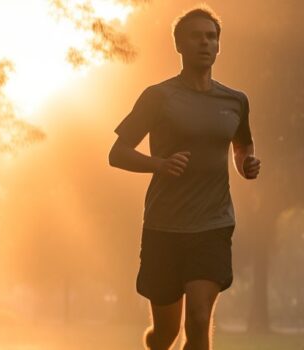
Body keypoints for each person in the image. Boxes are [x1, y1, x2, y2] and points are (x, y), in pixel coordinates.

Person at [108, 6, 260, 350]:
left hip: (213, 224)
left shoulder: (235, 100)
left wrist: (246, 164)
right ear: (179, 45)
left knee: (198, 321)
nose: (204, 43)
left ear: (219, 45)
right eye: (196, 36)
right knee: (166, 334)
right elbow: (117, 153)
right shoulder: (158, 97)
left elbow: (242, 147)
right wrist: (158, 164)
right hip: (164, 226)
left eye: (211, 36)